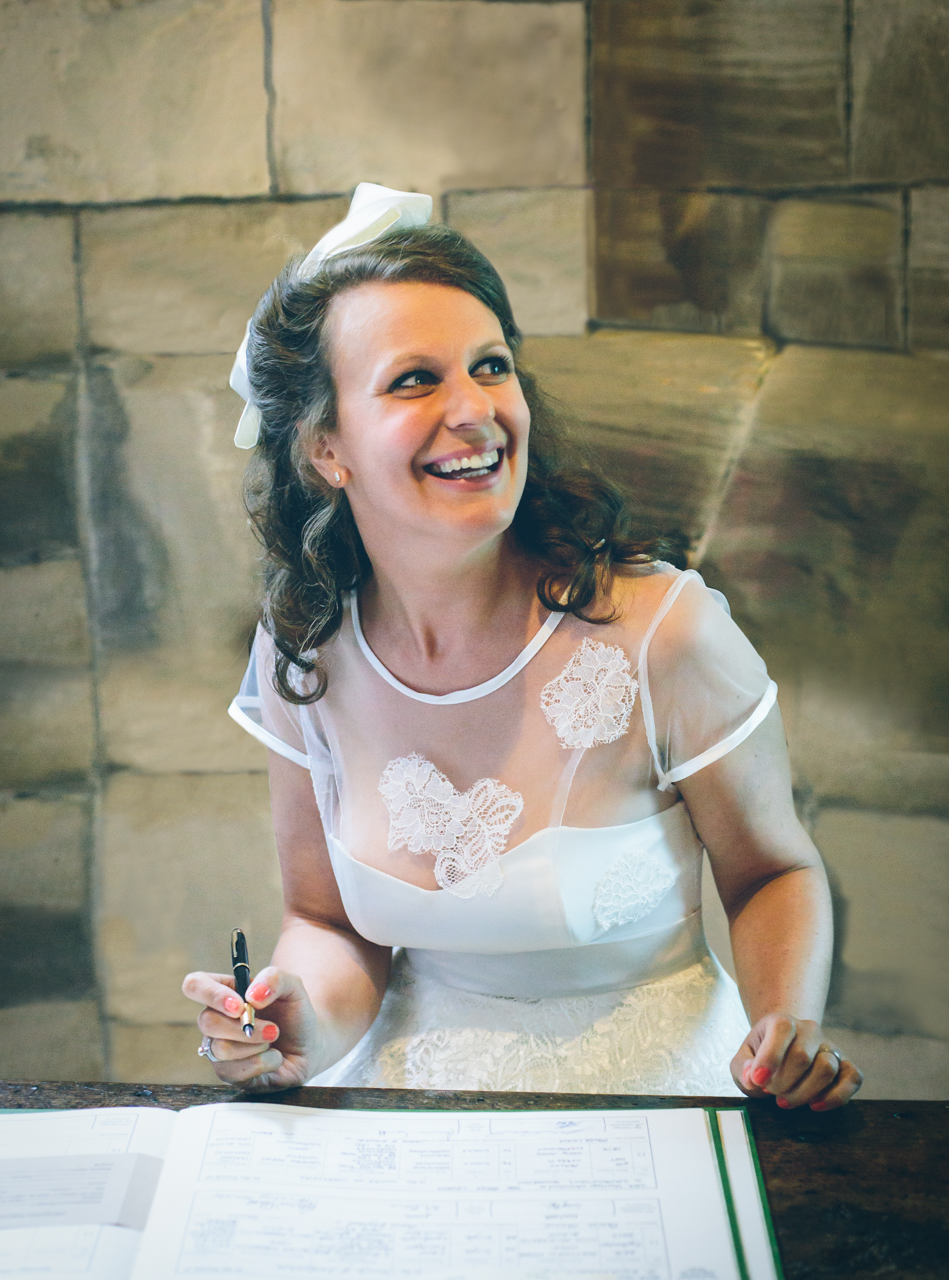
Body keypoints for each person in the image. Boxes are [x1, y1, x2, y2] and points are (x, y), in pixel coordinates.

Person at [181, 185, 861, 1108]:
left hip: (653, 1109)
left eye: (491, 367)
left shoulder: (664, 634)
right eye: (415, 380)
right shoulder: (306, 650)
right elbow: (326, 923)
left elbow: (773, 872)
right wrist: (288, 1020)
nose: (475, 410)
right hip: (409, 1110)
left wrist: (785, 1026)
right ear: (325, 449)